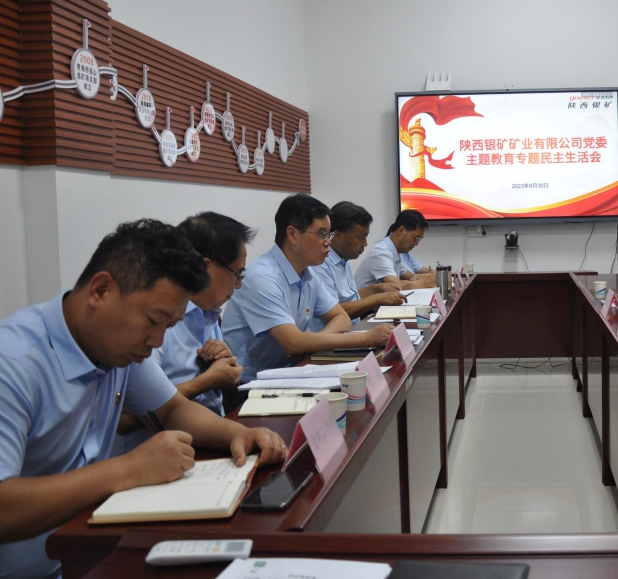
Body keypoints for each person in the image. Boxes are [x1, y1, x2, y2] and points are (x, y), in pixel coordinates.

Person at [0, 220, 286, 579]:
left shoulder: (117, 347)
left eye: (169, 327)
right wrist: (127, 470)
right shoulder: (12, 363)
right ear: (100, 290)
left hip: (91, 550)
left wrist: (237, 434)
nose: (157, 342)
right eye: (154, 320)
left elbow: (172, 408)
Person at [116, 212, 253, 452]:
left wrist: (227, 373)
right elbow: (126, 417)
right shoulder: (152, 323)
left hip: (207, 437)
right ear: (206, 267)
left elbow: (212, 400)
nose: (239, 284)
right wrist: (206, 381)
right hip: (156, 453)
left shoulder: (209, 313)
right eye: (237, 274)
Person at [222, 194, 393, 383]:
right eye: (322, 234)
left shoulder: (307, 274)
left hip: (292, 370)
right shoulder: (262, 277)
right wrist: (366, 338)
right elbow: (293, 343)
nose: (328, 242)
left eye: (329, 234)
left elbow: (341, 318)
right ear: (292, 234)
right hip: (249, 384)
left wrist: (311, 344)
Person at [313, 201, 407, 324]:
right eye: (362, 237)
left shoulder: (343, 259)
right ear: (338, 235)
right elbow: (334, 310)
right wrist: (378, 298)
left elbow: (350, 298)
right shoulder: (321, 264)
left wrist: (377, 288)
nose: (365, 243)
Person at [355, 210, 436, 290]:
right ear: (401, 231)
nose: (416, 243)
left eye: (419, 239)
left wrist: (434, 277)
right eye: (415, 238)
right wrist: (423, 283)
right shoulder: (381, 253)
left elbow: (411, 277)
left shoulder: (395, 252)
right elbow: (396, 286)